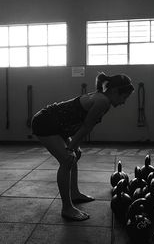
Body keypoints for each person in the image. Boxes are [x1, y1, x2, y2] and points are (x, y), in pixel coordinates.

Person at [31, 72, 134, 221]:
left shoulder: (102, 98)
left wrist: (73, 147)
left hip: (59, 125)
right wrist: (71, 147)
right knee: (67, 160)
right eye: (124, 97)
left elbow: (82, 125)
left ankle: (75, 193)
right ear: (114, 91)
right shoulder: (102, 101)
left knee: (74, 156)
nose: (124, 102)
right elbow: (86, 127)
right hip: (45, 122)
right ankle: (67, 208)